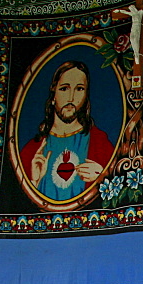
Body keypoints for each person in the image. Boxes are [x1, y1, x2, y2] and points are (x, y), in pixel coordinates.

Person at [19, 60, 114, 201]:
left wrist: (102, 178)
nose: (71, 98)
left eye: (79, 89)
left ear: (86, 95)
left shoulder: (100, 143)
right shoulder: (31, 151)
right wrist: (34, 182)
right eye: (64, 88)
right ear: (53, 94)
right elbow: (18, 204)